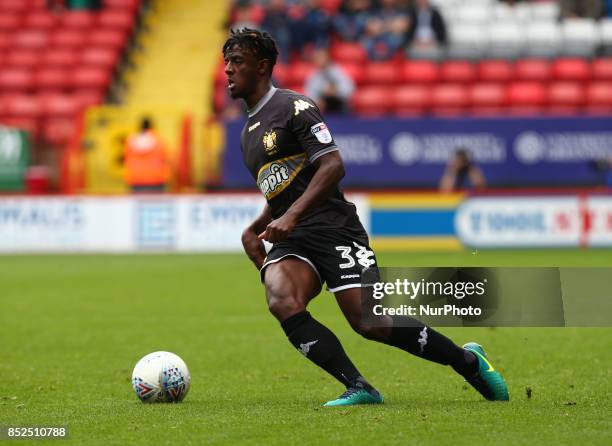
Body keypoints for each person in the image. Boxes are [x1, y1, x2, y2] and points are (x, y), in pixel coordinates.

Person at [223, 28, 508, 406]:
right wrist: (258, 226)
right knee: (282, 299)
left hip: (334, 228)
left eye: (236, 62)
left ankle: (468, 361)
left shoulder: (295, 107)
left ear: (261, 67)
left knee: (369, 322)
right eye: (226, 62)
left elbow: (332, 164)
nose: (227, 70)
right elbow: (284, 187)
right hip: (296, 237)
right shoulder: (247, 133)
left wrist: (290, 215)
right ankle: (359, 387)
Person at [124, 117, 171, 193]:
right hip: (157, 178)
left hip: (136, 179)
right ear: (152, 126)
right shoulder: (159, 140)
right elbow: (166, 158)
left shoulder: (130, 141)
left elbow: (126, 159)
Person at [305, 48, 355, 114]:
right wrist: (317, 101)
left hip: (339, 104)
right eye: (317, 58)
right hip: (322, 107)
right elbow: (310, 94)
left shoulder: (338, 71)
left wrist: (336, 91)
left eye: (322, 57)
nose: (320, 60)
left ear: (328, 58)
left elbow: (349, 90)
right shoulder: (313, 75)